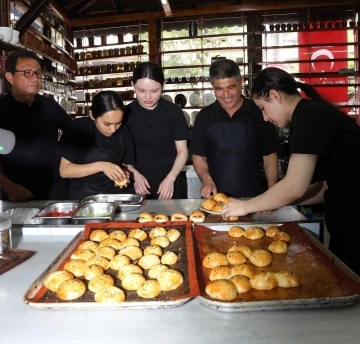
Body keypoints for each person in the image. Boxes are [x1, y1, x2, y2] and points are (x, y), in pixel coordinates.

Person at [222, 67, 360, 275]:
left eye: (262, 108)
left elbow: (295, 186)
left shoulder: (308, 117)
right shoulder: (312, 113)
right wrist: (272, 200)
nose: (265, 118)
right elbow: (324, 187)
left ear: (275, 96)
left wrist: (247, 206)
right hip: (346, 224)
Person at [190, 59, 279, 198]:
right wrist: (206, 180)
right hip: (215, 198)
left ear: (241, 82)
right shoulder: (204, 116)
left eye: (231, 87)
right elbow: (198, 155)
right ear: (212, 87)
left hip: (253, 198)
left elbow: (269, 156)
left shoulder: (258, 112)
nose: (226, 95)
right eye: (219, 89)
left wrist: (273, 194)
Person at [0, 50, 71, 201]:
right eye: (27, 72)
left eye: (38, 73)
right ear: (10, 77)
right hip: (18, 190)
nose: (35, 78)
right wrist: (9, 187)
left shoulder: (49, 105)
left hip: (55, 188)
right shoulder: (1, 110)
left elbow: (73, 132)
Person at [125, 62, 190, 199]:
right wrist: (134, 174)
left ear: (163, 85)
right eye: (141, 91)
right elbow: (120, 153)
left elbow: (182, 151)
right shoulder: (124, 114)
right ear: (132, 85)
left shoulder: (174, 112)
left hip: (171, 179)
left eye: (154, 91)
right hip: (136, 180)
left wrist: (170, 178)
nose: (148, 97)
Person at [56, 91, 135, 200]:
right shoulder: (78, 128)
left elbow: (125, 165)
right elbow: (64, 171)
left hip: (115, 197)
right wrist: (102, 166)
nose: (113, 129)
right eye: (107, 124)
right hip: (83, 198)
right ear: (92, 115)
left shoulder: (125, 132)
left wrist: (123, 173)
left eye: (118, 123)